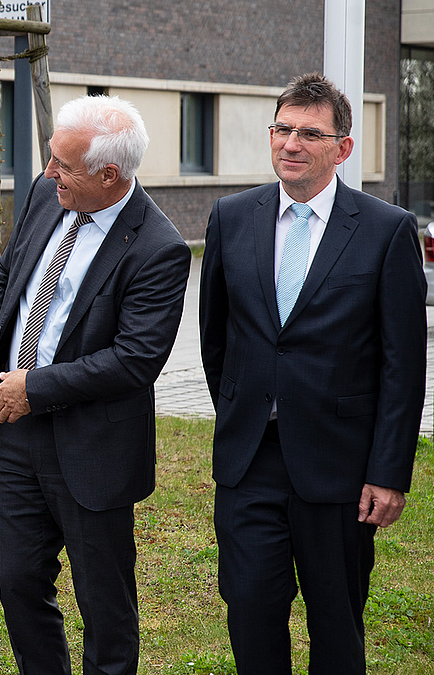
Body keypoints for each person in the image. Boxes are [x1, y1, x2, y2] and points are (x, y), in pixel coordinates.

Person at [0, 95, 190, 675]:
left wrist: (37, 387)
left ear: (109, 175)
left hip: (93, 447)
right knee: (18, 582)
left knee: (105, 605)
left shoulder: (159, 249)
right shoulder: (50, 195)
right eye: (51, 159)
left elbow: (134, 360)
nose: (48, 173)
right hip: (15, 434)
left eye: (62, 165)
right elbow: (9, 277)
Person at [199, 73, 425, 674]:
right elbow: (215, 340)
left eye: (309, 133)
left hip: (342, 468)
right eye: (282, 129)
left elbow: (404, 365)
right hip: (250, 462)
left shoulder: (385, 230)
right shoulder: (231, 217)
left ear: (342, 147)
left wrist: (388, 471)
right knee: (249, 608)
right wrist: (244, 413)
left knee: (336, 622)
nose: (290, 144)